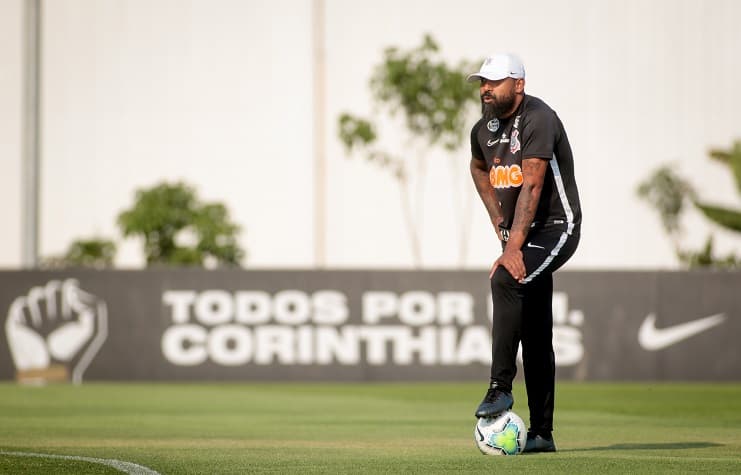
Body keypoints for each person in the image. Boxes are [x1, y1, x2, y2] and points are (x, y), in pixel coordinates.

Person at [467, 53, 581, 453]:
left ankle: (499, 387)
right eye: (482, 81)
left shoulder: (539, 118)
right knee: (534, 331)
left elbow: (532, 185)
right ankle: (542, 433)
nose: (485, 88)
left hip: (554, 228)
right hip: (520, 233)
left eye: (494, 81)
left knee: (505, 277)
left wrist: (510, 248)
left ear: (519, 84)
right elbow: (479, 169)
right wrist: (501, 224)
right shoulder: (483, 129)